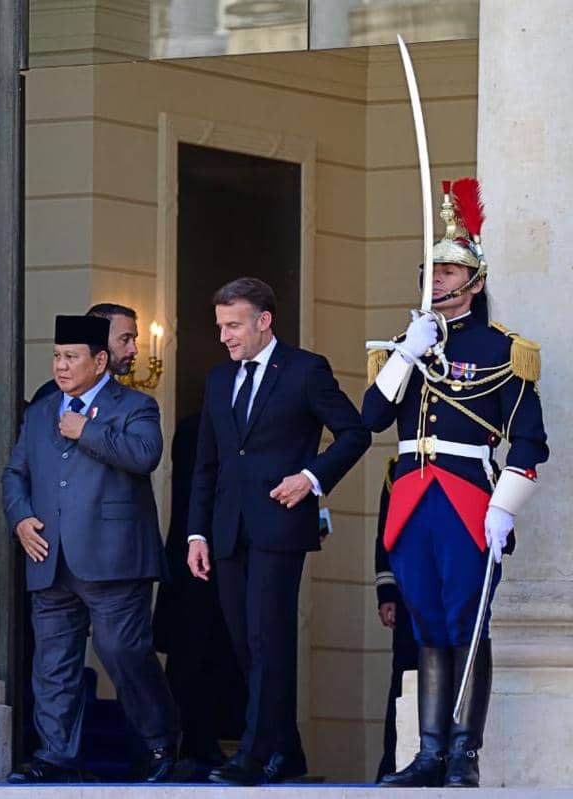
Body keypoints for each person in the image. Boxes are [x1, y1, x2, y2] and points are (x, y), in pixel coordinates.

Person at [363, 179, 547, 788]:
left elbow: (529, 441)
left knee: (467, 623)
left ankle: (465, 753)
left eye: (448, 271)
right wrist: (406, 355)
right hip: (412, 498)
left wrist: (505, 506)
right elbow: (372, 417)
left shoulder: (503, 350)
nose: (436, 279)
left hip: (468, 498)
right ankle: (430, 753)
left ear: (475, 283)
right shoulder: (406, 345)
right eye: (432, 270)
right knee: (426, 625)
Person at [186, 277, 369, 786]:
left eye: (233, 325)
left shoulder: (306, 370)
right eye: (220, 326)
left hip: (279, 526)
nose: (224, 336)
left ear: (264, 321)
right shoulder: (219, 380)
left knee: (267, 638)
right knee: (245, 643)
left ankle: (254, 753)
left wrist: (311, 477)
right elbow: (207, 464)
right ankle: (287, 752)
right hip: (226, 530)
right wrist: (196, 534)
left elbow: (355, 433)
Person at [2, 314, 191, 784]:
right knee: (53, 662)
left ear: (100, 361)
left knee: (123, 651)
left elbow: (145, 455)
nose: (61, 366)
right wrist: (20, 517)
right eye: (56, 356)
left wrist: (83, 430)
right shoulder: (41, 410)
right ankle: (56, 755)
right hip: (49, 555)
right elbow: (15, 473)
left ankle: (160, 742)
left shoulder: (137, 405)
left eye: (71, 357)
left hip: (114, 558)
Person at [151, 412, 246, 782]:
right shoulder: (199, 430)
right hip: (197, 558)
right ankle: (186, 742)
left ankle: (199, 740)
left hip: (212, 559)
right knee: (192, 657)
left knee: (211, 655)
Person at [372, 454, 420, 782]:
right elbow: (386, 533)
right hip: (408, 592)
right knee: (403, 678)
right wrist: (387, 591)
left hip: (446, 586)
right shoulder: (397, 468)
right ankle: (393, 761)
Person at [31, 302, 139, 403]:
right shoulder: (49, 397)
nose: (134, 350)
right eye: (125, 339)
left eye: (134, 340)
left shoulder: (134, 402)